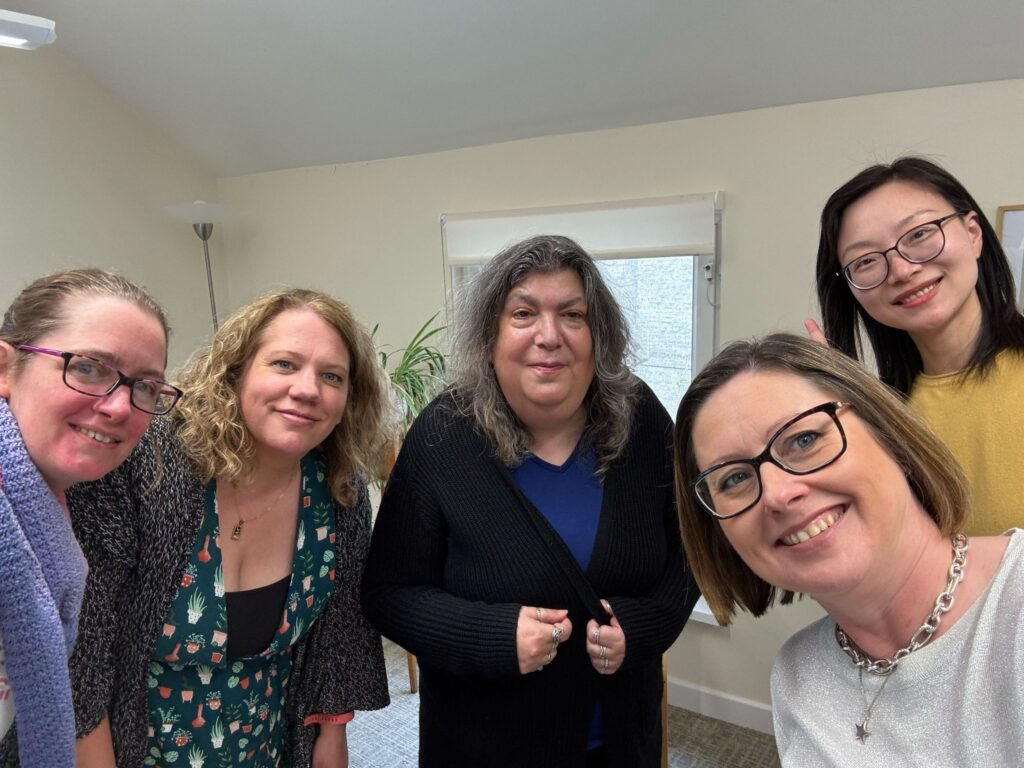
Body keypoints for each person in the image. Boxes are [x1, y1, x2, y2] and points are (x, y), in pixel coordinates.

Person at [362, 234, 699, 767]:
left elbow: (693, 553)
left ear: (599, 335)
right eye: (523, 314)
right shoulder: (442, 435)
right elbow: (388, 593)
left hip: (620, 742)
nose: (549, 336)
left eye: (572, 315)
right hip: (482, 748)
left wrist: (645, 625)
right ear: (490, 337)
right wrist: (490, 636)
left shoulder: (642, 419)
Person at [66, 289, 390, 768]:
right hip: (127, 746)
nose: (307, 389)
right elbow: (82, 655)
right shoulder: (148, 462)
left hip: (266, 745)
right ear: (235, 372)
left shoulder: (339, 487)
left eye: (331, 376)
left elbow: (339, 632)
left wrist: (331, 734)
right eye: (284, 364)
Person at [673, 333, 1022, 767]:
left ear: (887, 432)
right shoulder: (797, 676)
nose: (778, 494)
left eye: (803, 440)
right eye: (734, 479)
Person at [0, 268, 179, 768]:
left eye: (146, 387)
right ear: (5, 368)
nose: (120, 407)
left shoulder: (48, 527)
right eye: (88, 368)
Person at [807, 156, 1024, 535]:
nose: (902, 270)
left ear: (973, 234)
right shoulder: (883, 418)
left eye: (919, 234)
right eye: (866, 261)